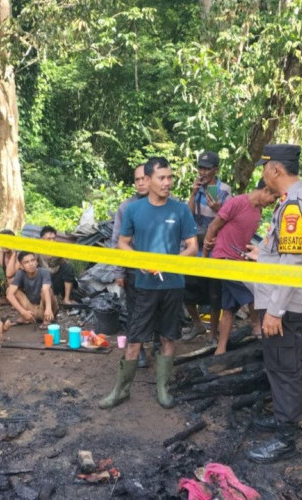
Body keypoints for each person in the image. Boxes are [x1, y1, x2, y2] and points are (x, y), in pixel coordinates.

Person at [100, 156, 198, 410]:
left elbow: (193, 246)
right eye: (162, 178)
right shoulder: (133, 209)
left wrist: (170, 262)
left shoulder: (180, 210)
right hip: (143, 285)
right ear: (149, 179)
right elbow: (122, 242)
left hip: (173, 285)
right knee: (135, 339)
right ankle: (120, 390)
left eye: (170, 177)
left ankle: (163, 389)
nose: (168, 183)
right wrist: (139, 261)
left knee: (168, 337)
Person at [246, 144, 302, 464]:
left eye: (265, 168)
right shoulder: (294, 201)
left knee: (285, 367)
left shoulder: (295, 205)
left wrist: (275, 311)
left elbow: (292, 264)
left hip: (285, 305)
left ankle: (285, 438)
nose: (262, 174)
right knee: (280, 364)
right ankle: (282, 418)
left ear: (276, 169)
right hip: (282, 299)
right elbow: (284, 254)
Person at [202, 179, 278, 354]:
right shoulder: (237, 202)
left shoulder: (258, 211)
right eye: (272, 198)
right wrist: (205, 257)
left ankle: (220, 350)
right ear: (265, 190)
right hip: (224, 259)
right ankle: (256, 325)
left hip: (240, 260)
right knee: (254, 290)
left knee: (228, 309)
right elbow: (214, 226)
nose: (271, 203)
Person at [184, 151, 232, 341]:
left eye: (206, 168)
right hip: (195, 245)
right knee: (187, 288)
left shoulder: (224, 190)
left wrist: (218, 210)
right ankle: (197, 324)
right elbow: (187, 218)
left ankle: (212, 332)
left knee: (214, 293)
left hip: (215, 247)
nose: (202, 172)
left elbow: (230, 219)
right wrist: (193, 193)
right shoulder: (198, 189)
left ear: (216, 170)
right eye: (200, 168)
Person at [111, 164, 150, 368]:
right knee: (134, 312)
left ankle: (160, 349)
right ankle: (139, 350)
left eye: (144, 178)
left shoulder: (167, 205)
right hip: (134, 271)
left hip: (161, 272)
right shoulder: (126, 207)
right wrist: (119, 271)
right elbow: (116, 241)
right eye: (137, 180)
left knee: (160, 313)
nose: (141, 183)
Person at [6, 251, 58, 327]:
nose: (31, 264)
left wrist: (48, 308)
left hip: (46, 308)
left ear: (36, 262)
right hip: (31, 309)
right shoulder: (20, 273)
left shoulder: (44, 272)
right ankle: (26, 317)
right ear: (21, 266)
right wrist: (23, 312)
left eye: (33, 260)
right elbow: (9, 295)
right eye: (26, 262)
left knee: (47, 290)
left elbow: (46, 289)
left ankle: (47, 320)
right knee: (10, 291)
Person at [38, 225, 78, 304]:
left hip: (56, 280)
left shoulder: (58, 249)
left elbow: (66, 264)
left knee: (68, 268)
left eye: (53, 238)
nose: (52, 241)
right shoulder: (36, 250)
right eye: (49, 239)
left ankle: (66, 299)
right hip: (44, 281)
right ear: (42, 240)